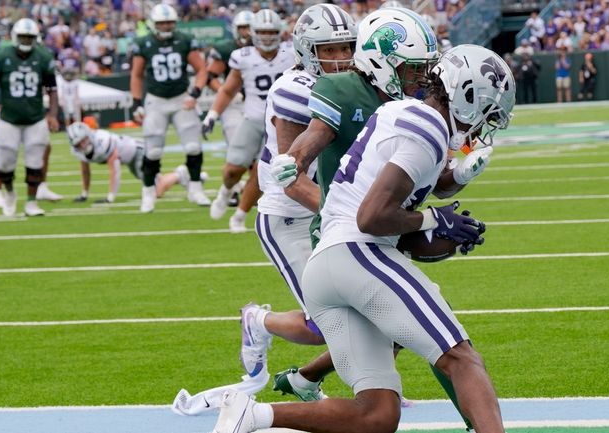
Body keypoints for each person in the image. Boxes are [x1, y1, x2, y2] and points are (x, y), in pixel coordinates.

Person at [210, 43, 514, 433]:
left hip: (327, 269)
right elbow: (371, 217)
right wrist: (432, 219)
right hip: (358, 254)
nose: (481, 127)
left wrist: (442, 227)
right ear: (468, 97)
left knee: (378, 414)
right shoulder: (429, 126)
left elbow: (401, 211)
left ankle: (252, 415)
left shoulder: (398, 112)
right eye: (486, 115)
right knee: (462, 358)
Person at [268, 7, 487, 431]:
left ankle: (296, 384)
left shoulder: (410, 106)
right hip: (357, 229)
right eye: (411, 69)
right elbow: (311, 142)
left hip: (381, 222)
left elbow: (429, 180)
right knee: (438, 336)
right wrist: (296, 164)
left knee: (396, 359)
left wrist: (458, 174)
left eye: (424, 70)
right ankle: (478, 420)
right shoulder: (345, 90)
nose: (420, 79)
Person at [171, 5, 357, 413]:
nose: (342, 56)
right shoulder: (295, 88)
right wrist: (345, 214)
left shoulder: (356, 82)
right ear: (308, 51)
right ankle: (259, 321)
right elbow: (292, 179)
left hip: (331, 207)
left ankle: (313, 381)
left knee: (375, 312)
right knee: (326, 324)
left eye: (347, 46)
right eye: (331, 49)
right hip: (290, 214)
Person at [202, 9, 296, 233]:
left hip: (280, 123)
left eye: (271, 31)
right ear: (253, 32)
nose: (266, 36)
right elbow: (227, 90)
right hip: (252, 118)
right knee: (232, 170)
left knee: (260, 172)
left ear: (279, 32)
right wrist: (212, 115)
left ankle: (239, 215)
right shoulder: (242, 56)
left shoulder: (291, 53)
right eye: (262, 32)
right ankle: (225, 191)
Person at [129, 3, 210, 213]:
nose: (166, 26)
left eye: (169, 22)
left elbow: (201, 69)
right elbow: (137, 75)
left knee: (193, 146)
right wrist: (136, 102)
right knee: (153, 150)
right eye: (162, 23)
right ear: (153, 24)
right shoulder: (143, 43)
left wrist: (195, 93)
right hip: (155, 100)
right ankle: (148, 193)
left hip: (181, 98)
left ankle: (195, 188)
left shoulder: (183, 40)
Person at [0, 18, 60, 217]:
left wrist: (52, 114)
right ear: (15, 36)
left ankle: (31, 203)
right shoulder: (1, 55)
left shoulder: (43, 56)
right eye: (23, 36)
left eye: (29, 37)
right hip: (9, 118)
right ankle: (10, 193)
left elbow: (52, 89)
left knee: (35, 162)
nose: (26, 40)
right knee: (5, 161)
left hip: (35, 118)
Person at [65, 122, 204, 203]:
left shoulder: (102, 141)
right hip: (130, 158)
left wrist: (110, 196)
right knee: (155, 185)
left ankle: (180, 174)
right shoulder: (78, 151)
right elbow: (85, 170)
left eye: (83, 140)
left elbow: (115, 170)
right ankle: (188, 178)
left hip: (139, 151)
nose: (82, 145)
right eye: (78, 143)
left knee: (156, 191)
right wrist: (84, 194)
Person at [204, 10, 255, 208]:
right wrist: (228, 91)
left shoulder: (265, 47)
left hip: (258, 102)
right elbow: (210, 77)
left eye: (250, 28)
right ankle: (234, 190)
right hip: (234, 104)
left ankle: (256, 189)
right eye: (243, 28)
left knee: (261, 150)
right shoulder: (226, 49)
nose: (246, 32)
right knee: (237, 148)